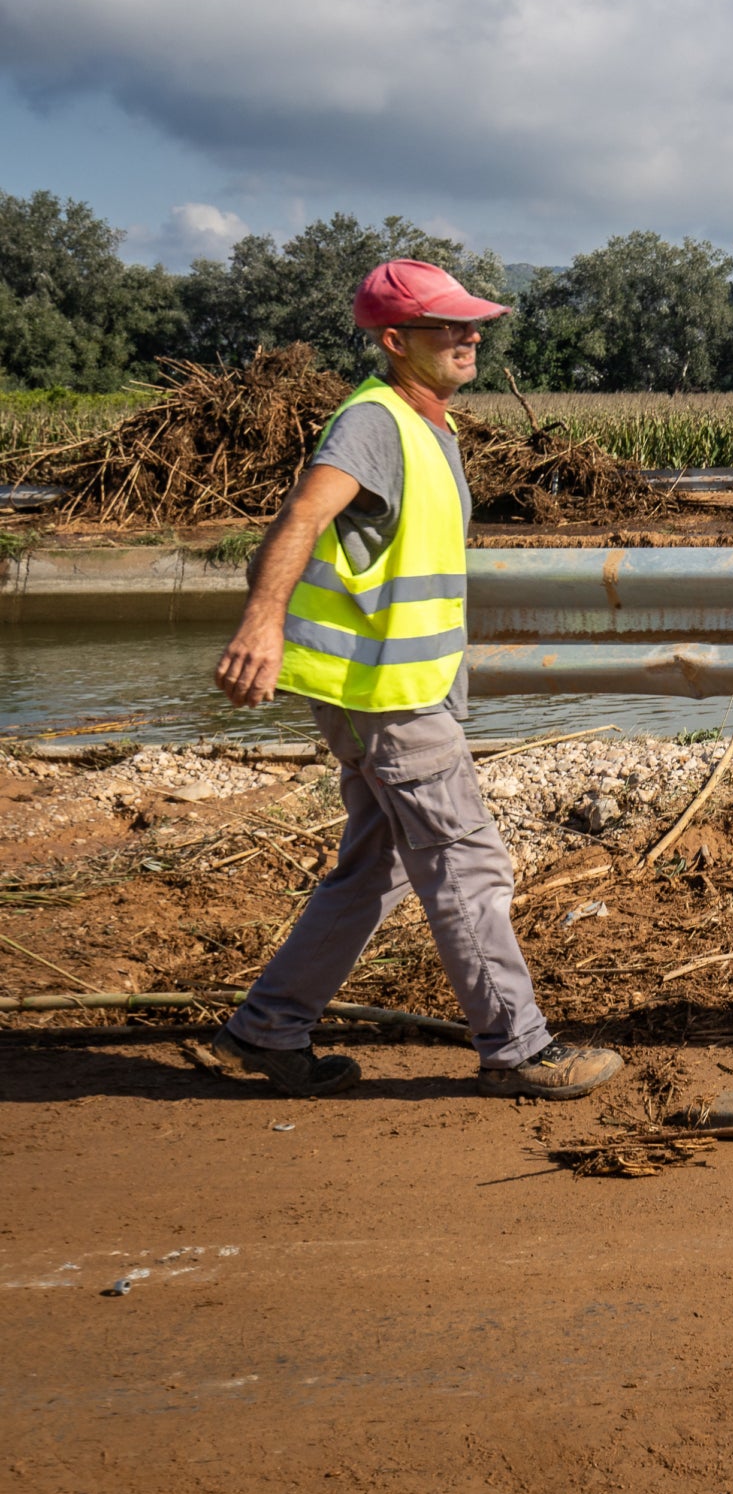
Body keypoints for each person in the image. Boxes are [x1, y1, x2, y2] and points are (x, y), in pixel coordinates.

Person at [191, 260, 622, 1100]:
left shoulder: (427, 424)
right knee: (467, 859)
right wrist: (260, 620)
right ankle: (518, 1049)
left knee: (379, 865)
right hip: (385, 695)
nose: (470, 336)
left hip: (389, 687)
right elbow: (302, 516)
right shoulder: (376, 423)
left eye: (473, 323)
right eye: (448, 326)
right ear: (395, 341)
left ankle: (266, 1030)